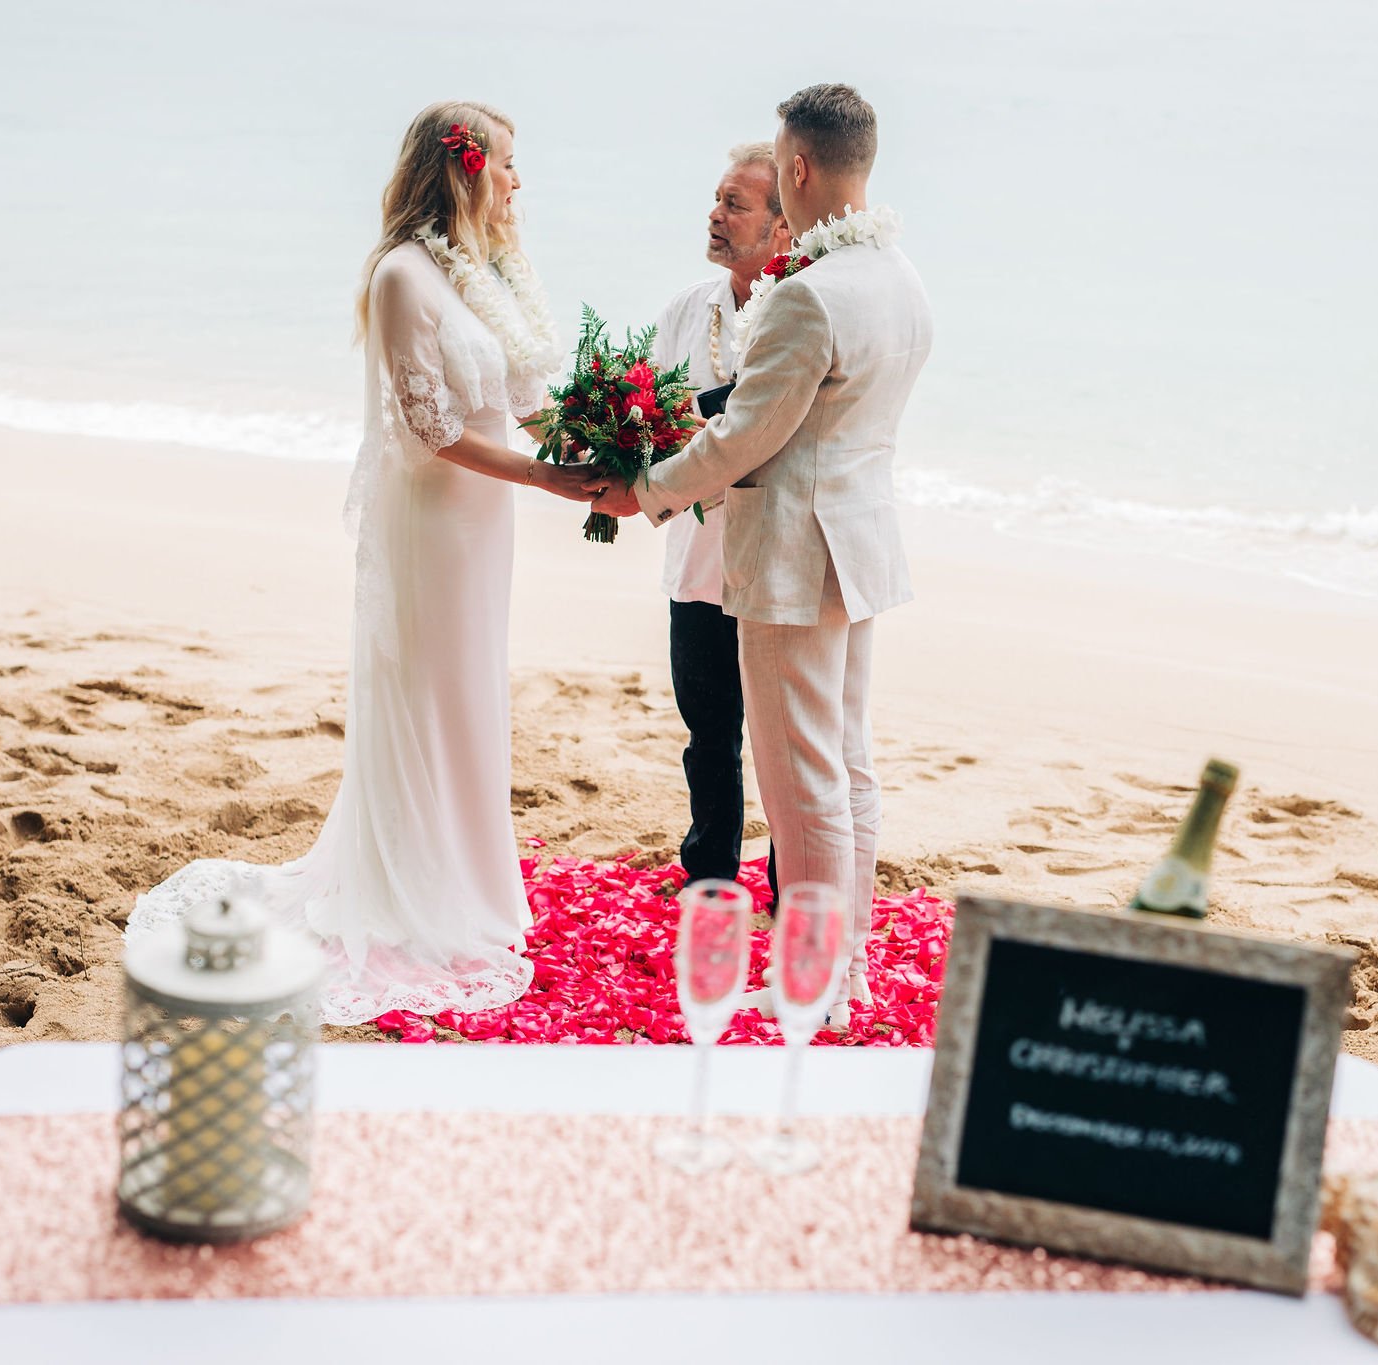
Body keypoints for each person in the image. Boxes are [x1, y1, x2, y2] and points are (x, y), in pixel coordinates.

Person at [128, 101, 607, 1023]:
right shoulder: (403, 278)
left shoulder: (488, 272)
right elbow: (429, 431)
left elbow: (522, 391)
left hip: (486, 522)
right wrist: (551, 478)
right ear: (465, 169)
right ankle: (420, 886)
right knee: (429, 687)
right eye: (507, 164)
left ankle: (471, 872)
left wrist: (610, 452)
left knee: (473, 688)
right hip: (434, 519)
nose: (518, 181)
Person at [592, 84, 932, 1027]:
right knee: (848, 763)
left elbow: (744, 438)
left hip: (791, 562)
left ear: (797, 169)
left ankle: (812, 979)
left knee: (800, 780)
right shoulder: (899, 276)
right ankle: (847, 961)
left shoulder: (809, 296)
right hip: (861, 548)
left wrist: (645, 493)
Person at [650, 141, 791, 889]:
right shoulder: (685, 311)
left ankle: (789, 875)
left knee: (781, 738)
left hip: (774, 560)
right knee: (708, 729)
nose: (715, 214)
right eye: (717, 199)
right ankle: (710, 866)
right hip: (697, 560)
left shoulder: (799, 311)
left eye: (734, 205)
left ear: (781, 227)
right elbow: (652, 418)